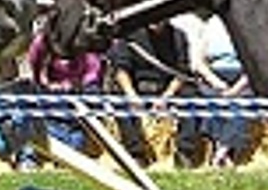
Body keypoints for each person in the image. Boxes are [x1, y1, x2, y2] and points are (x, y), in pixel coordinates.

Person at [108, 17, 204, 168]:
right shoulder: (130, 35)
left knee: (193, 97)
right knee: (118, 99)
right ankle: (136, 153)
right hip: (137, 87)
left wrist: (167, 96)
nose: (156, 22)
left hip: (167, 88)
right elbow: (121, 69)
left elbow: (182, 72)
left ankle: (185, 151)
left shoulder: (178, 36)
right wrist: (131, 94)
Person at [26, 15, 105, 155]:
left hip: (78, 89)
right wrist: (48, 83)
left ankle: (77, 138)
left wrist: (72, 84)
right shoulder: (41, 42)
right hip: (52, 91)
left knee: (91, 94)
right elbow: (35, 68)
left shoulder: (82, 40)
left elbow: (94, 69)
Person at [189, 14, 253, 167]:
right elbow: (198, 62)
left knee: (241, 105)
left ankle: (222, 150)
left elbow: (254, 64)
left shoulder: (248, 26)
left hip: (242, 78)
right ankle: (222, 149)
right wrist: (216, 82)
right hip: (214, 76)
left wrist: (237, 87)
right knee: (212, 102)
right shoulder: (209, 26)